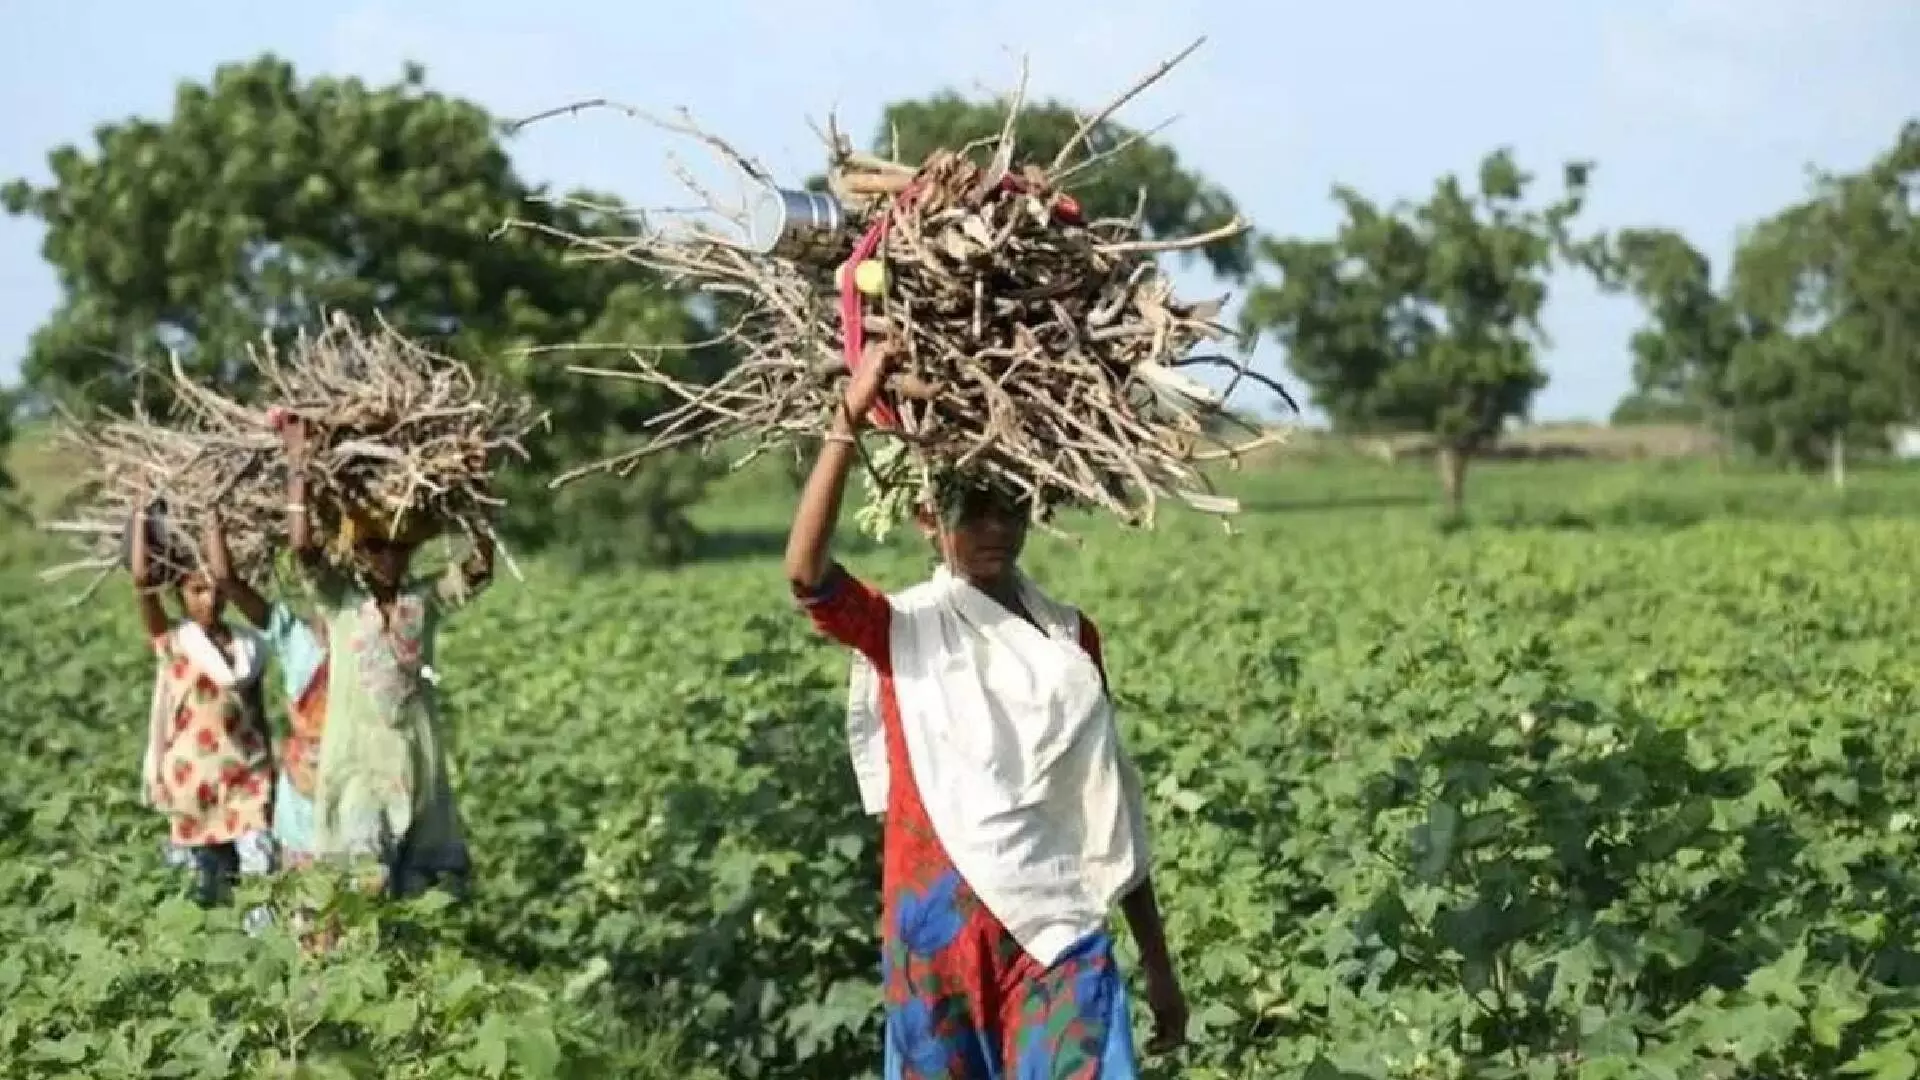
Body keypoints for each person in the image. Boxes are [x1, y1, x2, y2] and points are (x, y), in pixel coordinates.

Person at [784, 340, 1189, 1077]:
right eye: (972, 509)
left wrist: (1158, 966)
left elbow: (1106, 807)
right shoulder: (899, 630)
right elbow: (807, 574)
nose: (995, 528)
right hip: (938, 942)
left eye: (1012, 508)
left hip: (1058, 930)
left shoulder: (1070, 639)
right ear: (926, 517)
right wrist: (849, 414)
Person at [277, 413, 494, 899]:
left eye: (399, 547)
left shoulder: (422, 602)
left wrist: (476, 489)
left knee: (416, 896)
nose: (389, 558)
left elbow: (481, 567)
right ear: (358, 551)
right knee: (364, 877)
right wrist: (297, 466)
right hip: (356, 765)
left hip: (414, 764)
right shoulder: (341, 604)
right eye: (376, 546)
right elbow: (302, 547)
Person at [132, 505, 278, 909]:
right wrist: (142, 512)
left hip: (247, 779)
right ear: (180, 593)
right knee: (198, 893)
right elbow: (142, 580)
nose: (209, 600)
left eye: (215, 590)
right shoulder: (174, 642)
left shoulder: (249, 647)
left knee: (261, 880)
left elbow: (257, 713)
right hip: (191, 784)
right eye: (197, 590)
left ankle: (261, 955)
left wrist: (271, 767)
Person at [200, 521, 330, 871]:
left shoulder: (367, 636)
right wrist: (213, 515)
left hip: (355, 788)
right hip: (304, 791)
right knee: (307, 903)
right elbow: (227, 579)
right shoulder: (293, 636)